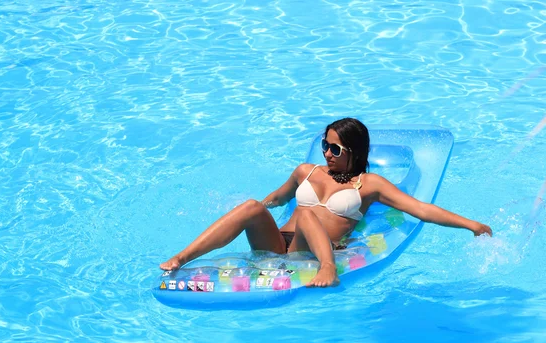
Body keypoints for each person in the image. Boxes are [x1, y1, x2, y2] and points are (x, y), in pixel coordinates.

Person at [160, 118, 492, 287]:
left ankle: (328, 271)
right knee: (250, 207)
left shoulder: (370, 184)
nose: (327, 154)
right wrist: (253, 209)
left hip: (318, 251)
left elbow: (421, 209)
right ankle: (181, 257)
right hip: (279, 245)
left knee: (306, 215)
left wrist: (472, 225)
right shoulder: (306, 171)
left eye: (335, 149)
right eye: (324, 145)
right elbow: (275, 199)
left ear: (355, 153)